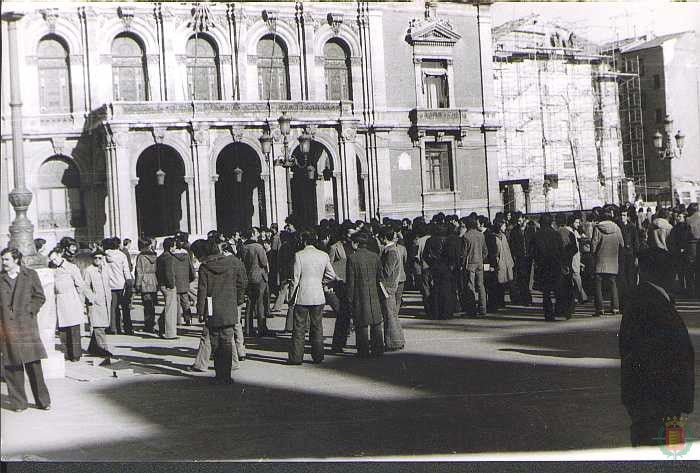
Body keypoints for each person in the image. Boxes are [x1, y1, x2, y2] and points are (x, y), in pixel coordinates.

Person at [619, 247, 694, 446]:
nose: (675, 277)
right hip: (660, 401)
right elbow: (652, 357)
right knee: (665, 452)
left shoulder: (648, 298)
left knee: (669, 451)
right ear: (661, 273)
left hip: (659, 401)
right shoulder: (650, 303)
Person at [0, 248, 51, 412]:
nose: (3, 262)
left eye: (6, 259)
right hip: (6, 328)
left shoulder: (30, 275)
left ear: (16, 260)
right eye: (2, 259)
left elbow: (40, 296)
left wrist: (30, 310)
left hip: (26, 326)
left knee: (34, 365)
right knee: (12, 366)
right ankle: (19, 403)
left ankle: (43, 401)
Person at [196, 240, 248, 384]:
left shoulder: (204, 268)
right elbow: (242, 282)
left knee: (215, 341)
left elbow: (202, 291)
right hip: (229, 304)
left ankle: (219, 374)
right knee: (227, 340)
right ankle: (226, 375)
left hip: (212, 306)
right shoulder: (232, 263)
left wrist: (200, 311)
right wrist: (237, 299)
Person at [287, 230, 337, 364]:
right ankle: (318, 355)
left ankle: (296, 358)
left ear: (303, 241)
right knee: (317, 326)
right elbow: (332, 275)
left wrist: (291, 297)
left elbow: (295, 279)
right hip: (318, 295)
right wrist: (321, 281)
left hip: (303, 295)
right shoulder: (323, 255)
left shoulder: (299, 255)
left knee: (299, 328)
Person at [346, 232, 384, 358]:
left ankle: (363, 351)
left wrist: (349, 299)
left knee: (361, 323)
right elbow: (380, 277)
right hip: (374, 293)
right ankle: (378, 349)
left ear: (357, 243)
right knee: (376, 322)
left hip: (359, 294)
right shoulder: (375, 256)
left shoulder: (352, 258)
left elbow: (350, 282)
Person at [48, 247, 86, 362]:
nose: (53, 261)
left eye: (54, 259)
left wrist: (80, 300)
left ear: (60, 255)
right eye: (51, 260)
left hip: (71, 299)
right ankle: (66, 353)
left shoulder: (71, 267)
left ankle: (76, 354)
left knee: (74, 328)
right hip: (59, 301)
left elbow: (80, 284)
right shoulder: (52, 269)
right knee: (63, 329)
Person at [83, 250, 117, 365]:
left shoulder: (106, 269)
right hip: (96, 302)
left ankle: (93, 348)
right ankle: (104, 350)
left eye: (100, 258)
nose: (98, 260)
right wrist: (92, 298)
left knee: (101, 324)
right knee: (99, 326)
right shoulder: (88, 270)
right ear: (92, 259)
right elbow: (85, 286)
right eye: (96, 258)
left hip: (106, 300)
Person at [530, 213, 564, 321]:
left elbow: (533, 252)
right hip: (555, 264)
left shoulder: (536, 235)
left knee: (546, 292)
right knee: (558, 289)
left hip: (543, 265)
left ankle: (548, 314)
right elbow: (561, 250)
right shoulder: (556, 234)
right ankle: (559, 310)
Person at [591, 209, 625, 316]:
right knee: (613, 284)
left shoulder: (597, 228)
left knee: (598, 285)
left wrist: (593, 254)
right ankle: (615, 307)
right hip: (613, 260)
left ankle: (600, 309)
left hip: (600, 260)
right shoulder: (617, 228)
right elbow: (622, 244)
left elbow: (593, 245)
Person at [378, 226, 405, 352]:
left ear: (384, 238)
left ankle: (393, 342)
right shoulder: (392, 249)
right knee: (392, 314)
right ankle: (397, 340)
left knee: (390, 315)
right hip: (390, 286)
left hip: (387, 287)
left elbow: (387, 271)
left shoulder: (391, 251)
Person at [241, 228, 270, 337]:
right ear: (253, 234)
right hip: (259, 277)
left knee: (249, 303)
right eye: (256, 233)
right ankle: (261, 328)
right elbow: (264, 262)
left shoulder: (243, 247)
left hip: (248, 277)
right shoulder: (258, 247)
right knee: (260, 303)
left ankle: (248, 328)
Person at [103, 237, 134, 335]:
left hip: (110, 284)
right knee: (125, 307)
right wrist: (129, 281)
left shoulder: (105, 256)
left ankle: (113, 328)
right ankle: (128, 328)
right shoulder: (122, 255)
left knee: (113, 307)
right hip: (122, 284)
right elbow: (126, 270)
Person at [462, 217, 488, 317]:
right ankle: (483, 309)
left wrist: (463, 264)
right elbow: (485, 251)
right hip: (479, 262)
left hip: (470, 264)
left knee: (470, 286)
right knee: (481, 286)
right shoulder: (481, 235)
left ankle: (471, 310)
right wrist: (481, 258)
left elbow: (464, 253)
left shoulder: (466, 236)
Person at [134, 238, 158, 333]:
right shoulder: (154, 255)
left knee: (147, 304)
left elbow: (139, 271)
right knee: (152, 304)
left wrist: (137, 285)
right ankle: (152, 323)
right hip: (153, 279)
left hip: (145, 280)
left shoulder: (141, 257)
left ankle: (148, 325)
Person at [156, 237, 178, 339]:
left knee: (168, 307)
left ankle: (160, 324)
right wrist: (172, 285)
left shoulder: (160, 257)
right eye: (174, 245)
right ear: (170, 246)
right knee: (171, 310)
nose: (175, 247)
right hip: (168, 285)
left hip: (162, 284)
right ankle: (170, 333)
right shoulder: (169, 257)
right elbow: (169, 273)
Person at [171, 235, 195, 326]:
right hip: (184, 281)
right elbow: (191, 267)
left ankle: (178, 321)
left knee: (176, 302)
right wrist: (191, 278)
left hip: (175, 281)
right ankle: (188, 319)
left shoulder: (172, 256)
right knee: (185, 302)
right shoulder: (186, 254)